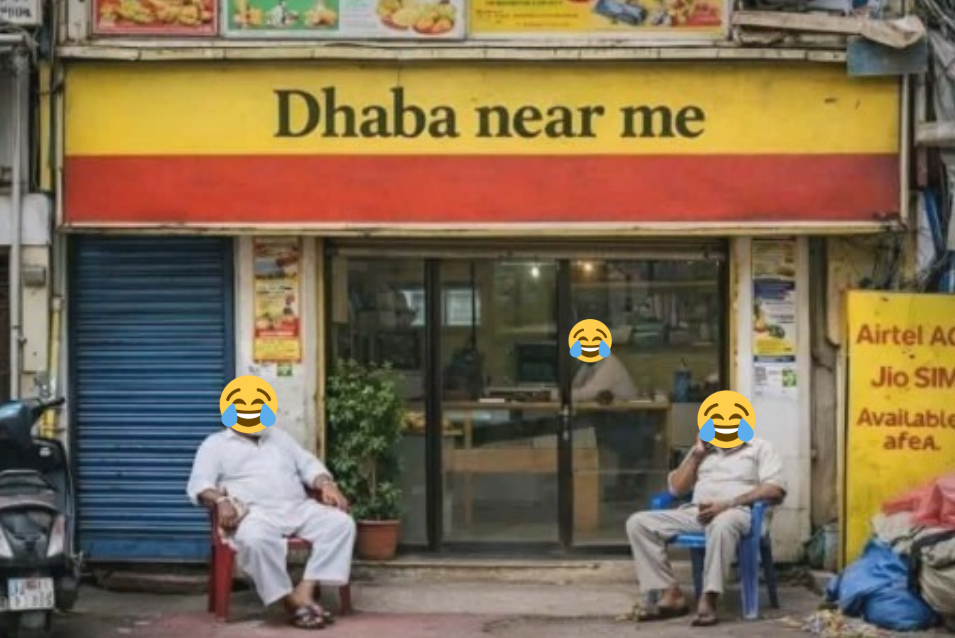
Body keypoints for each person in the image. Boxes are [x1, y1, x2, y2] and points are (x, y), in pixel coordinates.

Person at [187, 425, 356, 630]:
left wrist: (326, 484)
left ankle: (304, 591)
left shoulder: (279, 436)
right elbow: (199, 484)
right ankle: (289, 600)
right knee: (254, 540)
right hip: (255, 513)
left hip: (297, 506)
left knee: (341, 524)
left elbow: (309, 466)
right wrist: (221, 500)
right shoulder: (215, 444)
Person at [625, 434, 786, 627]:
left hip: (739, 512)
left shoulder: (760, 447)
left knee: (722, 523)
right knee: (639, 523)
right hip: (697, 513)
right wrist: (696, 456)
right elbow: (676, 490)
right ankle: (670, 593)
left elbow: (774, 490)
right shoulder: (701, 450)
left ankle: (709, 596)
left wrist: (728, 504)